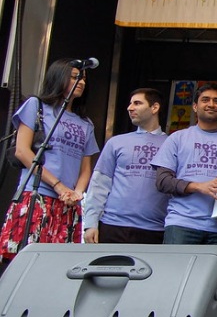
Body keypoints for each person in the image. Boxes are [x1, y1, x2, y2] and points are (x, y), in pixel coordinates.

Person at [0, 59, 99, 261]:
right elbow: (22, 151)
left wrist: (77, 193)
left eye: (83, 79)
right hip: (38, 194)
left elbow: (86, 167)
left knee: (57, 263)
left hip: (68, 202)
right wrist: (58, 186)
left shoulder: (85, 123)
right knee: (25, 260)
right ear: (59, 77)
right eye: (74, 77)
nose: (80, 82)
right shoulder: (36, 106)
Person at [151, 83, 217, 258]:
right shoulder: (177, 138)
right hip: (182, 224)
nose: (211, 104)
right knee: (178, 281)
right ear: (194, 106)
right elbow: (162, 181)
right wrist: (199, 186)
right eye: (205, 100)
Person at [83, 88, 169, 244]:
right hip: (112, 225)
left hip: (155, 229)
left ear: (154, 108)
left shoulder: (172, 144)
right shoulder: (116, 142)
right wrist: (90, 223)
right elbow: (99, 185)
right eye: (130, 104)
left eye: (137, 103)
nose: (130, 108)